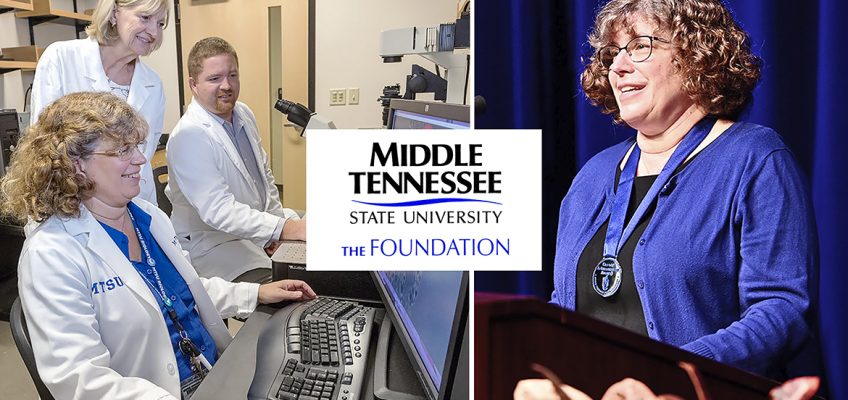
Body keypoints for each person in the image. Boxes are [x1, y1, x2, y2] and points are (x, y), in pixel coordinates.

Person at [522, 0, 817, 394]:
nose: (618, 67)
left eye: (640, 46)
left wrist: (666, 371)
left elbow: (780, 312)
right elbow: (563, 306)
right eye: (612, 53)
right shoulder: (592, 175)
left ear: (696, 55)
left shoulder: (755, 159)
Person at [0, 92, 316, 399]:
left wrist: (255, 293)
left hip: (213, 370)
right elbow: (80, 380)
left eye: (137, 146)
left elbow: (178, 292)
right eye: (122, 150)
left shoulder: (149, 218)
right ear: (76, 164)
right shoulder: (52, 254)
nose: (140, 159)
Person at [166, 37, 305, 281]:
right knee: (287, 289)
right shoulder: (189, 136)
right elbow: (219, 210)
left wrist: (276, 230)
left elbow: (264, 178)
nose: (226, 85)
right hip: (214, 244)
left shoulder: (243, 113)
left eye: (232, 75)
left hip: (251, 232)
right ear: (193, 84)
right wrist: (284, 229)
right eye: (214, 78)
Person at [30, 0, 169, 205]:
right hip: (73, 204)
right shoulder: (61, 59)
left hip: (135, 203)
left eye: (160, 24)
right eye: (145, 17)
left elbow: (143, 156)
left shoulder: (153, 84)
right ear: (114, 13)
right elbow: (46, 148)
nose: (154, 33)